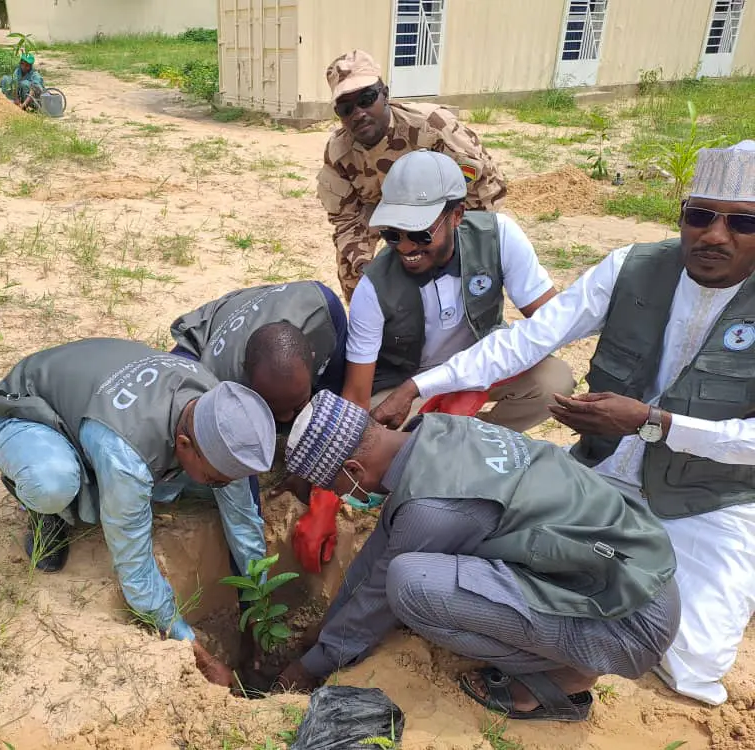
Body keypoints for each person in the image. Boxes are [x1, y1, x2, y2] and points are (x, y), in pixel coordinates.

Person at [406, 141, 755, 706]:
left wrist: (655, 424)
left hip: (708, 499)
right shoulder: (633, 268)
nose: (714, 236)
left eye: (743, 222)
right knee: (493, 566)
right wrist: (422, 386)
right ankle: (570, 666)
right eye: (699, 215)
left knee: (687, 663)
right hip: (605, 473)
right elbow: (531, 338)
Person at [274, 391, 680, 722]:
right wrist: (324, 630)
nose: (342, 497)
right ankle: (562, 652)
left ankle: (566, 675)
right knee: (403, 571)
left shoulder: (430, 509)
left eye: (332, 487)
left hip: (628, 623)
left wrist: (308, 669)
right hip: (636, 571)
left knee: (410, 585)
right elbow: (377, 554)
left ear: (353, 470)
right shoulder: (437, 435)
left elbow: (378, 595)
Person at [0, 338, 276, 686]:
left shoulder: (216, 411)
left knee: (195, 485)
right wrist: (199, 655)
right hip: (22, 409)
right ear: (184, 445)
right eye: (215, 478)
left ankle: (90, 475)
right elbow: (134, 567)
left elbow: (242, 518)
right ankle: (40, 505)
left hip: (91, 392)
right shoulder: (126, 453)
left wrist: (255, 618)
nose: (220, 485)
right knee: (53, 484)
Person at [345, 150, 574, 432]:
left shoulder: (498, 237)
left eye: (420, 233)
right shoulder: (373, 287)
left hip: (484, 363)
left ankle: (479, 438)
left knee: (554, 382)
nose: (405, 247)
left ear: (456, 216)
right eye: (392, 234)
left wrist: (475, 370)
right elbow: (355, 396)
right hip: (407, 381)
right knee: (381, 431)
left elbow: (553, 323)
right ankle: (443, 439)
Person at [318, 49, 507, 302]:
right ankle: (371, 325)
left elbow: (480, 191)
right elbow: (347, 221)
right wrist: (368, 269)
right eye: (346, 108)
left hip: (443, 203)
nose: (358, 113)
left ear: (385, 94)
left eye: (366, 98)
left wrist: (452, 244)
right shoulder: (338, 152)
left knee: (461, 269)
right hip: (381, 208)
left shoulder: (432, 127)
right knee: (352, 269)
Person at [169, 281, 348, 424]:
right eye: (269, 407)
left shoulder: (325, 309)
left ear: (313, 357)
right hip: (203, 335)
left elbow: (335, 386)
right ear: (246, 373)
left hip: (269, 304)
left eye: (297, 406)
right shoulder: (220, 381)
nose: (286, 418)